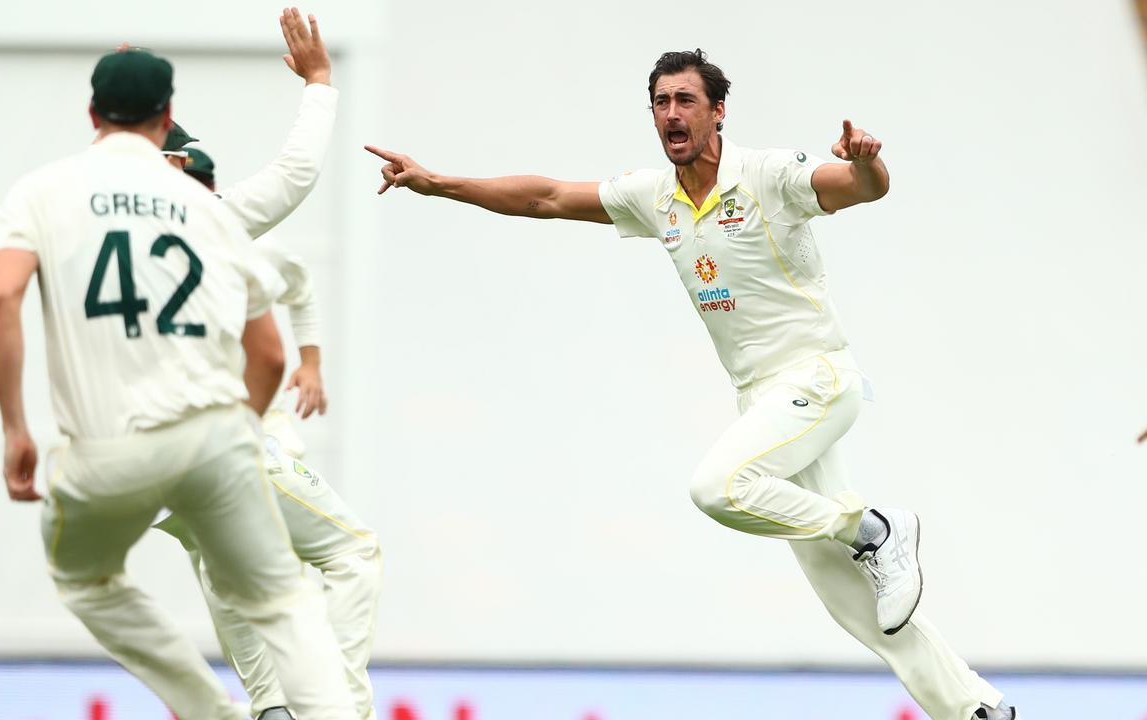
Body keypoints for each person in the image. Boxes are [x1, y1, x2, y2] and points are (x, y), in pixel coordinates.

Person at [366, 49, 1014, 720]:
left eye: (685, 101)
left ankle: (872, 526)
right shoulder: (655, 197)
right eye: (660, 102)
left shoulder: (767, 175)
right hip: (765, 402)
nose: (671, 114)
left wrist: (864, 160)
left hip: (816, 378)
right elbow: (548, 197)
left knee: (719, 487)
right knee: (852, 599)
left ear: (718, 112)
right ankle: (976, 709)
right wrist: (439, 183)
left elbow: (864, 189)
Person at [0, 46, 356, 720]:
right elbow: (267, 356)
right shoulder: (210, 209)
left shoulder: (43, 193)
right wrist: (236, 436)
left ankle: (214, 711)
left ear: (92, 113)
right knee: (283, 601)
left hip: (107, 452)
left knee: (87, 580)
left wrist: (14, 428)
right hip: (213, 437)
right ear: (168, 119)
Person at [151, 12, 382, 718]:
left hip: (159, 461)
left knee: (228, 575)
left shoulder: (106, 236)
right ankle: (333, 708)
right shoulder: (214, 222)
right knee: (352, 555)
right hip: (227, 444)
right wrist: (318, 83)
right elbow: (298, 170)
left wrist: (145, 115)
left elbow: (298, 281)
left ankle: (273, 710)